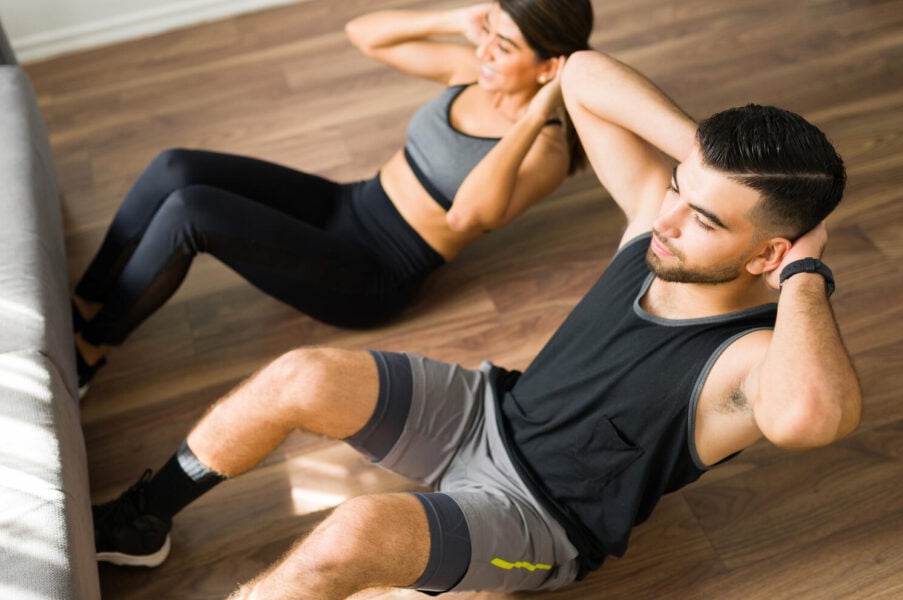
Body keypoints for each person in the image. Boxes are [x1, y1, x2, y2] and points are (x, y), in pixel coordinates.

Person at [90, 47, 862, 599]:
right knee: (301, 374)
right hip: (488, 410)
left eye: (704, 219)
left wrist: (805, 272)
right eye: (678, 190)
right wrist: (706, 165)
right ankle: (142, 520)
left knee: (353, 536)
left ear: (768, 254)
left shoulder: (748, 358)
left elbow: (809, 418)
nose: (668, 218)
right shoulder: (651, 230)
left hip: (539, 522)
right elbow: (581, 72)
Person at [70, 0, 595, 395]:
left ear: (548, 68)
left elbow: (467, 215)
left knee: (193, 213)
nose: (484, 51)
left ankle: (92, 348)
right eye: (489, 34)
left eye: (504, 47)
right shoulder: (472, 72)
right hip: (349, 203)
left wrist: (535, 114)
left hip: (374, 271)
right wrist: (456, 17)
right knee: (176, 167)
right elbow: (363, 35)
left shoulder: (543, 150)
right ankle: (89, 295)